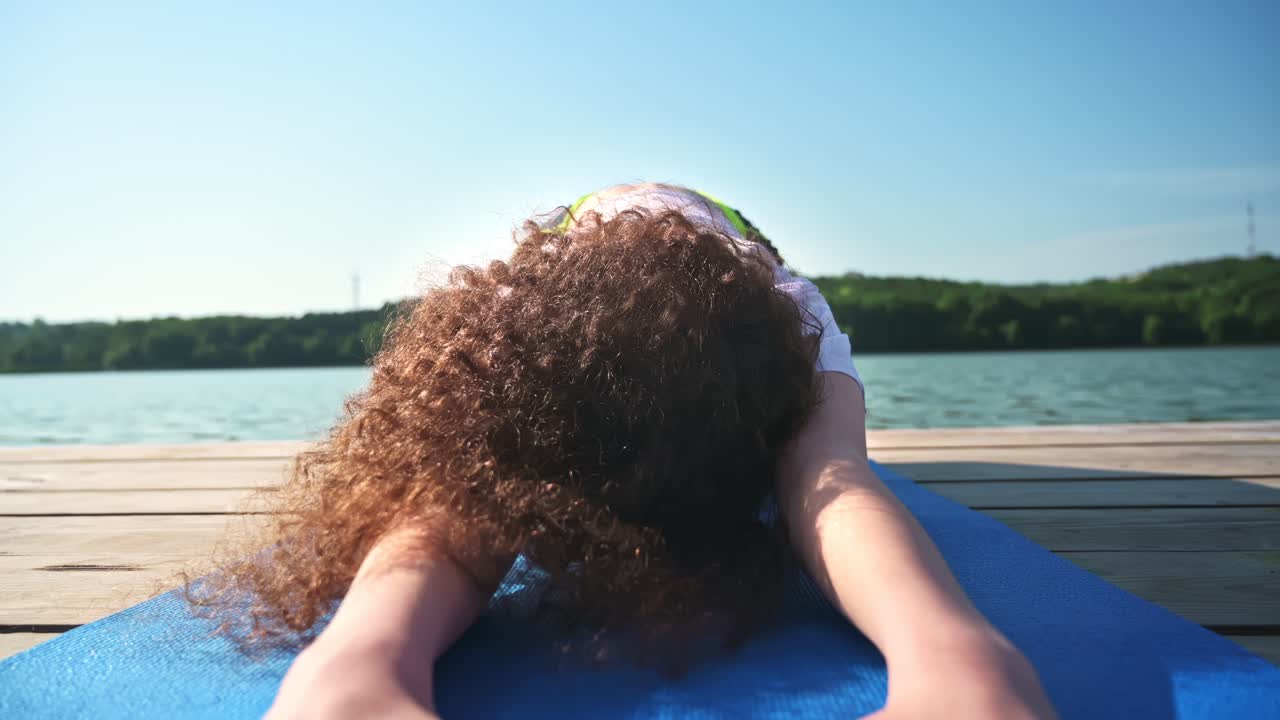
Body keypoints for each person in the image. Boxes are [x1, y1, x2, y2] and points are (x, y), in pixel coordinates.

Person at [199, 182, 1054, 719]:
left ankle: (351, 669)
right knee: (498, 466)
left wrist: (952, 658)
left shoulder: (780, 315)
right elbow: (829, 479)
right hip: (576, 288)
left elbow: (827, 477)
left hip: (668, 305)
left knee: (487, 470)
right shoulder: (529, 311)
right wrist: (949, 650)